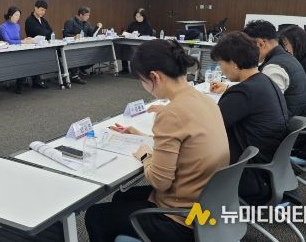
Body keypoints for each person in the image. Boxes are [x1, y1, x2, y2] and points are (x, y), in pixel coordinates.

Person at [84, 40, 229, 242]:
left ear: (155, 77)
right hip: (207, 205)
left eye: (142, 81)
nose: (144, 87)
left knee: (95, 215)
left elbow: (160, 181)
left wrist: (146, 156)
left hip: (182, 220)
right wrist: (141, 136)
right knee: (122, 197)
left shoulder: (172, 113)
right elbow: (188, 143)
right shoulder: (204, 99)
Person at [210, 32, 289, 205]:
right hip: (269, 168)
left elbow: (208, 128)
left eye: (221, 63)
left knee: (189, 171)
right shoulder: (265, 82)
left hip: (249, 176)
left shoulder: (243, 93)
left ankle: (196, 217)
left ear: (234, 63)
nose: (221, 68)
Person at [241, 20, 306, 117]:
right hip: (294, 117)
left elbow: (266, 106)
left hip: (285, 123)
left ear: (261, 43)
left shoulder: (273, 68)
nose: (247, 52)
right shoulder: (287, 58)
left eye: (248, 47)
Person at [0, 6, 35, 94]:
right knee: (22, 61)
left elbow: (17, 40)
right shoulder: (3, 27)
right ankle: (19, 85)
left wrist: (25, 40)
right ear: (10, 15)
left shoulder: (17, 26)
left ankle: (29, 81)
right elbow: (8, 41)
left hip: (18, 50)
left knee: (30, 58)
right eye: (16, 15)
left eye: (19, 15)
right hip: (7, 52)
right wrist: (22, 41)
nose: (18, 17)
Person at [62, 6, 103, 84]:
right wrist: (74, 37)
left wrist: (97, 27)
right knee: (77, 54)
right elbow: (65, 34)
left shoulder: (86, 23)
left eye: (88, 15)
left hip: (83, 46)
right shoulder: (70, 22)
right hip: (72, 47)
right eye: (86, 15)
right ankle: (74, 75)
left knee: (95, 55)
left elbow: (91, 34)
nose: (88, 17)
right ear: (81, 15)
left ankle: (80, 68)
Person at [23, 0, 52, 88]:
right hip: (32, 47)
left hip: (42, 45)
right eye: (41, 10)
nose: (43, 12)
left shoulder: (43, 20)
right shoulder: (29, 20)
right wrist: (46, 33)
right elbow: (39, 32)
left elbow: (50, 31)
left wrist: (46, 33)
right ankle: (36, 80)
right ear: (35, 8)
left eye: (44, 11)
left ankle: (40, 79)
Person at [120, 8, 153, 74]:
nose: (137, 18)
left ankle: (140, 70)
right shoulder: (133, 24)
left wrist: (140, 34)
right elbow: (128, 32)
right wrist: (125, 33)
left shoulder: (147, 25)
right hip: (131, 43)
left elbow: (150, 34)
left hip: (142, 44)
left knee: (136, 51)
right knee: (123, 48)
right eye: (136, 16)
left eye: (139, 16)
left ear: (144, 17)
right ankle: (125, 68)